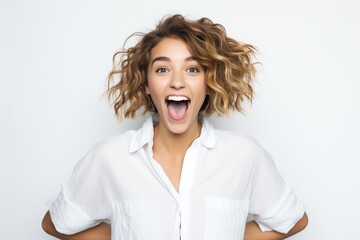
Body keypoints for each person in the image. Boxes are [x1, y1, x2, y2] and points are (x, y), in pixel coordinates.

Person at [42, 14, 308, 240]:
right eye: (162, 70)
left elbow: (292, 218)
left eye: (192, 69)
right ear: (146, 84)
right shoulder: (110, 157)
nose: (177, 82)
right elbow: (56, 223)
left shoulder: (244, 155)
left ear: (208, 82)